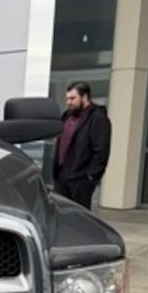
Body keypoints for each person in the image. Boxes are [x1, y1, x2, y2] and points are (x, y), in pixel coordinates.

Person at [53, 82, 111, 210]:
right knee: (61, 215)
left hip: (81, 179)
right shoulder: (66, 116)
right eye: (68, 98)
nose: (69, 102)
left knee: (79, 217)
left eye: (73, 98)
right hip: (62, 177)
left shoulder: (98, 118)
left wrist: (90, 177)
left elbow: (101, 151)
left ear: (85, 97)